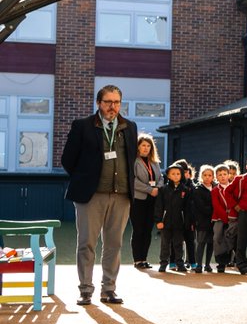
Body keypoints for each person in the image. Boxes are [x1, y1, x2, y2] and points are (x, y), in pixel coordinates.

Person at [61, 84, 139, 306]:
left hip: (122, 195)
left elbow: (131, 157)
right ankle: (85, 290)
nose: (112, 107)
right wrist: (84, 178)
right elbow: (68, 159)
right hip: (91, 195)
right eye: (107, 102)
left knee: (114, 244)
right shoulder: (83, 126)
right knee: (87, 243)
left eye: (116, 102)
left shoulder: (129, 127)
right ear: (98, 103)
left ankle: (109, 289)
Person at [129, 133, 161, 270]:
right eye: (143, 145)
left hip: (152, 201)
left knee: (148, 230)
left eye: (148, 146)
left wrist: (157, 188)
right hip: (138, 200)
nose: (146, 148)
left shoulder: (154, 162)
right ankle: (137, 260)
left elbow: (161, 178)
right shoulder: (134, 161)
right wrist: (149, 189)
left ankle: (144, 259)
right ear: (138, 147)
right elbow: (132, 180)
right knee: (138, 230)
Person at [154, 162, 188, 273]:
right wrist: (159, 220)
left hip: (179, 222)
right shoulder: (163, 190)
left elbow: (188, 208)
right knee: (165, 244)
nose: (176, 176)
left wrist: (186, 222)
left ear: (182, 175)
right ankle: (163, 263)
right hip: (166, 222)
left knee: (178, 244)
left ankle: (180, 263)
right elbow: (159, 206)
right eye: (173, 174)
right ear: (168, 176)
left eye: (178, 173)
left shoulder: (185, 190)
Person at [191, 165, 216, 273]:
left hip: (213, 221)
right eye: (205, 175)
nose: (207, 177)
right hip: (202, 221)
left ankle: (207, 264)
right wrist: (214, 209)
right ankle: (199, 265)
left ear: (213, 177)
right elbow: (200, 206)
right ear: (201, 176)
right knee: (201, 243)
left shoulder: (216, 188)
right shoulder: (197, 189)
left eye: (210, 175)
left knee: (211, 243)